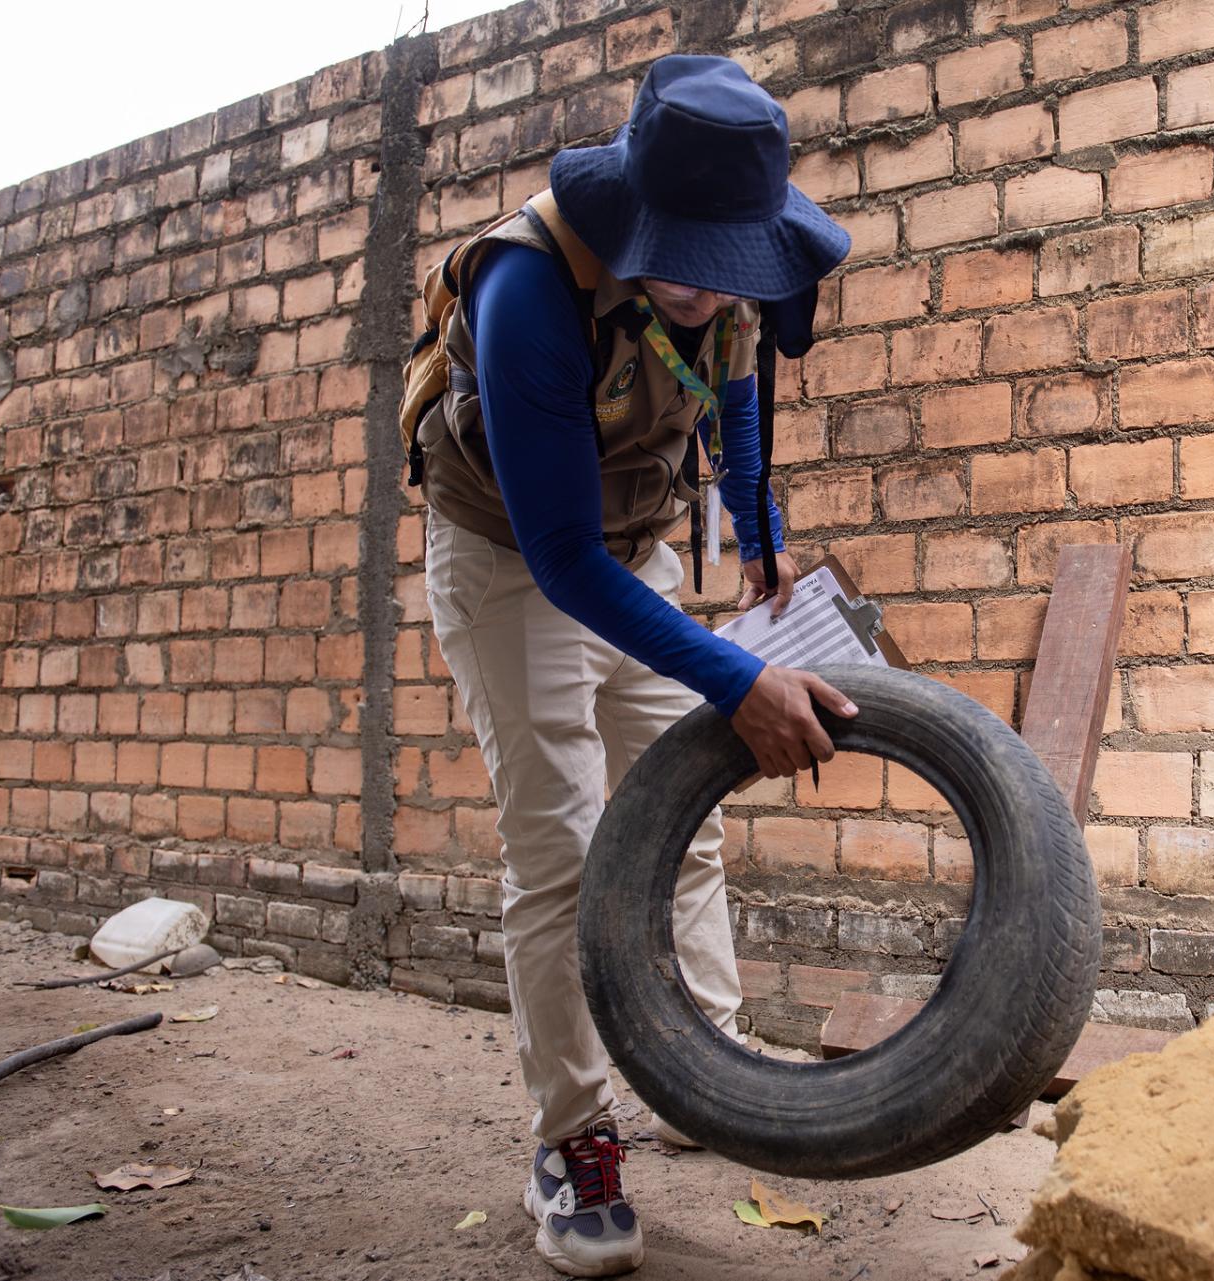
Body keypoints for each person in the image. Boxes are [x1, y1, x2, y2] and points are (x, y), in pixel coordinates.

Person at [417, 55, 855, 1277]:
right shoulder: (526, 285)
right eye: (694, 262)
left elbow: (737, 393)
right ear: (634, 217)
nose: (718, 287)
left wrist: (761, 540)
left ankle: (700, 1068)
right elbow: (561, 561)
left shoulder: (737, 271)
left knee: (688, 819)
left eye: (736, 266)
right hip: (515, 558)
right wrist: (734, 675)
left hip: (635, 545)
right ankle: (573, 1137)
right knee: (560, 850)